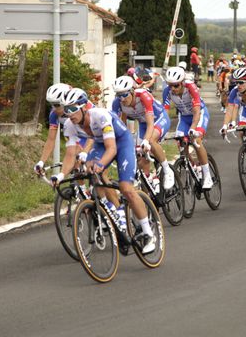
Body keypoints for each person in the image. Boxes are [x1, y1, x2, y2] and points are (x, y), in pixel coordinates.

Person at [51, 88, 156, 254]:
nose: (69, 114)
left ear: (84, 107)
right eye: (65, 109)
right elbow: (71, 154)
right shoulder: (70, 125)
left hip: (121, 142)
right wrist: (61, 175)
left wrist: (100, 165)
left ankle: (148, 233)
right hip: (100, 143)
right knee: (89, 171)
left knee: (126, 188)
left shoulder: (100, 116)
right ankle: (113, 211)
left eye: (72, 109)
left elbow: (112, 149)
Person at [111, 75, 174, 190]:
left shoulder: (143, 96)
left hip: (158, 119)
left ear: (132, 91)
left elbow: (151, 124)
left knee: (150, 141)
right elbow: (120, 128)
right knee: (141, 156)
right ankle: (149, 180)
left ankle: (167, 170)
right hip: (143, 124)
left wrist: (145, 141)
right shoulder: (117, 103)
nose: (122, 99)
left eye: (125, 94)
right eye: (118, 95)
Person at [162, 66, 214, 189]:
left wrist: (193, 128)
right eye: (170, 85)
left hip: (199, 115)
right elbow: (164, 114)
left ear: (183, 83)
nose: (173, 89)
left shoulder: (191, 88)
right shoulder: (167, 91)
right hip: (184, 118)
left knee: (196, 141)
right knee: (180, 143)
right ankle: (193, 166)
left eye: (176, 85)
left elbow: (196, 112)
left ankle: (207, 176)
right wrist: (162, 131)